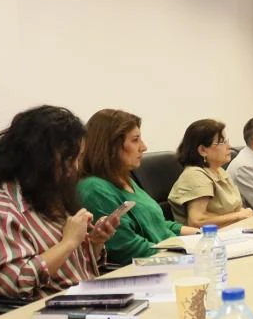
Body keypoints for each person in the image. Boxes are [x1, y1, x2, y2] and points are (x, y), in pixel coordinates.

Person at [0, 106, 120, 300]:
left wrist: (94, 242)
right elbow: (14, 284)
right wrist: (68, 243)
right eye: (68, 160)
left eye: (78, 159)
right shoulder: (1, 212)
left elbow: (73, 271)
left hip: (88, 300)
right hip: (49, 313)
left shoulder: (51, 196)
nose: (75, 168)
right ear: (38, 158)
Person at [78, 109, 196, 265]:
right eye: (135, 140)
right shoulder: (94, 189)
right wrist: (188, 257)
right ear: (111, 146)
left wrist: (200, 234)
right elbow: (129, 249)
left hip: (167, 258)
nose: (144, 147)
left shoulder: (123, 178)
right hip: (149, 267)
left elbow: (157, 224)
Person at [167, 119, 253, 228]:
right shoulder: (195, 175)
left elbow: (234, 209)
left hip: (234, 231)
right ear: (203, 150)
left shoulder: (218, 170)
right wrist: (239, 216)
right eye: (221, 142)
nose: (229, 146)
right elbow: (197, 221)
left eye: (226, 141)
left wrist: (248, 215)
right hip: (209, 236)